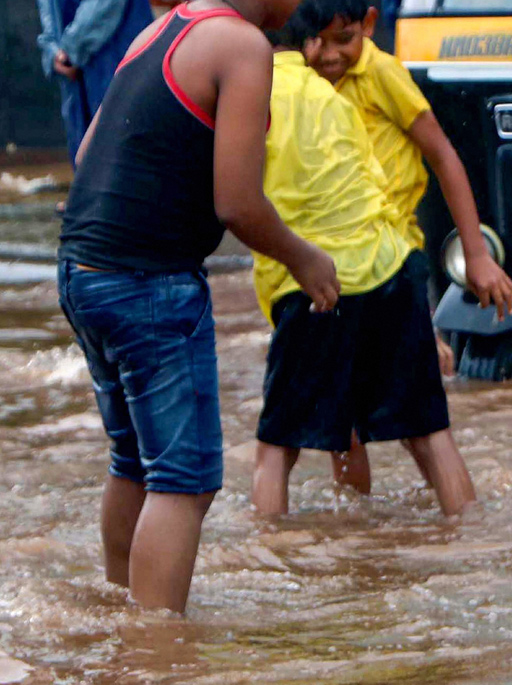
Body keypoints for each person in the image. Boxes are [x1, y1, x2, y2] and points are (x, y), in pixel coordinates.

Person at [55, 0, 340, 613]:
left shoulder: (159, 31)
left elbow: (85, 158)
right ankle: (159, 660)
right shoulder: (241, 45)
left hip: (82, 271)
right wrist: (303, 257)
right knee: (181, 481)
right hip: (148, 282)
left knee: (132, 461)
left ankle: (118, 612)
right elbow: (237, 202)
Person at [249, 18, 478, 517]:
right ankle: (469, 538)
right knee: (430, 435)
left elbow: (233, 198)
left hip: (311, 281)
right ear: (307, 42)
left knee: (276, 449)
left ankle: (270, 557)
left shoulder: (246, 90)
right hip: (389, 267)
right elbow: (372, 181)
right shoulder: (334, 98)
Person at [296, 0, 512, 482]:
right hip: (336, 271)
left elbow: (443, 155)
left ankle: (458, 529)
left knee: (424, 426)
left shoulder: (382, 75)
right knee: (342, 425)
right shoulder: (303, 82)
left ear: (370, 24)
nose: (330, 55)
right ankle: (364, 538)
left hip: (394, 262)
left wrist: (476, 254)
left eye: (344, 39)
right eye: (318, 40)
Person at [36, 0, 154, 164]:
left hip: (115, 55)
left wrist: (67, 49)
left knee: (124, 157)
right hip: (77, 70)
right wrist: (52, 49)